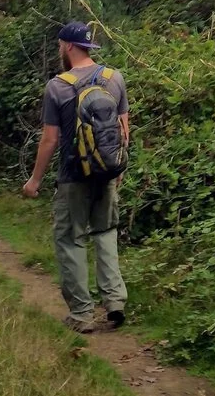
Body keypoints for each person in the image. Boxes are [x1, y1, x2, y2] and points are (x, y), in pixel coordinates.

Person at [21, 21, 129, 333]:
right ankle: (114, 302)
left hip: (73, 176)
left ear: (68, 46)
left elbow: (49, 140)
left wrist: (35, 181)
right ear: (89, 47)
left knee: (70, 239)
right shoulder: (114, 78)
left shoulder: (58, 86)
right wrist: (118, 169)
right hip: (108, 172)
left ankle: (81, 314)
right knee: (106, 232)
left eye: (60, 46)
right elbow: (124, 129)